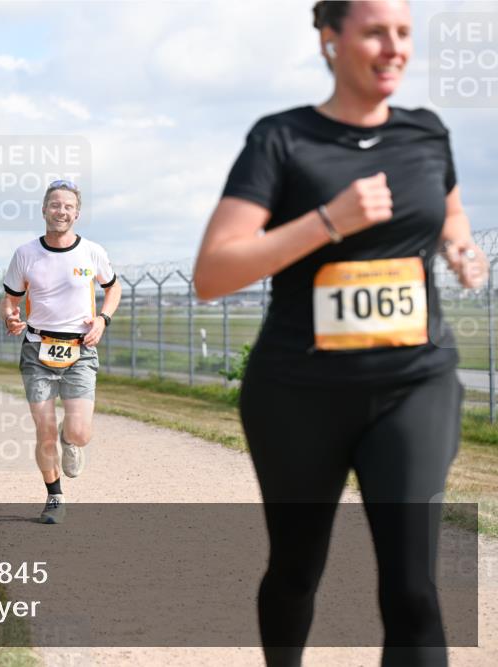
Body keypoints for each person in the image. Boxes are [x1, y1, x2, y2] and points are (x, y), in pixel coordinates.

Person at [192, 2, 488, 665]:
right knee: (297, 570)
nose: (394, 48)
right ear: (331, 39)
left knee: (414, 588)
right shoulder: (282, 139)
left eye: (405, 33)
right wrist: (329, 220)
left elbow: (452, 215)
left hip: (415, 381)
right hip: (299, 391)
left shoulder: (428, 132)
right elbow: (213, 271)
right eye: (375, 32)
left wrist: (464, 250)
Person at [0, 181, 120, 524]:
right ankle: (54, 496)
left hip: (81, 348)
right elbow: (9, 297)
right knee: (44, 429)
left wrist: (102, 318)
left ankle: (72, 440)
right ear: (43, 210)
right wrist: (10, 316)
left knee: (80, 432)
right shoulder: (25, 254)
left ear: (77, 213)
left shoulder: (92, 252)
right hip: (38, 349)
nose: (61, 211)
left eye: (68, 206)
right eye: (55, 205)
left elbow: (113, 289)